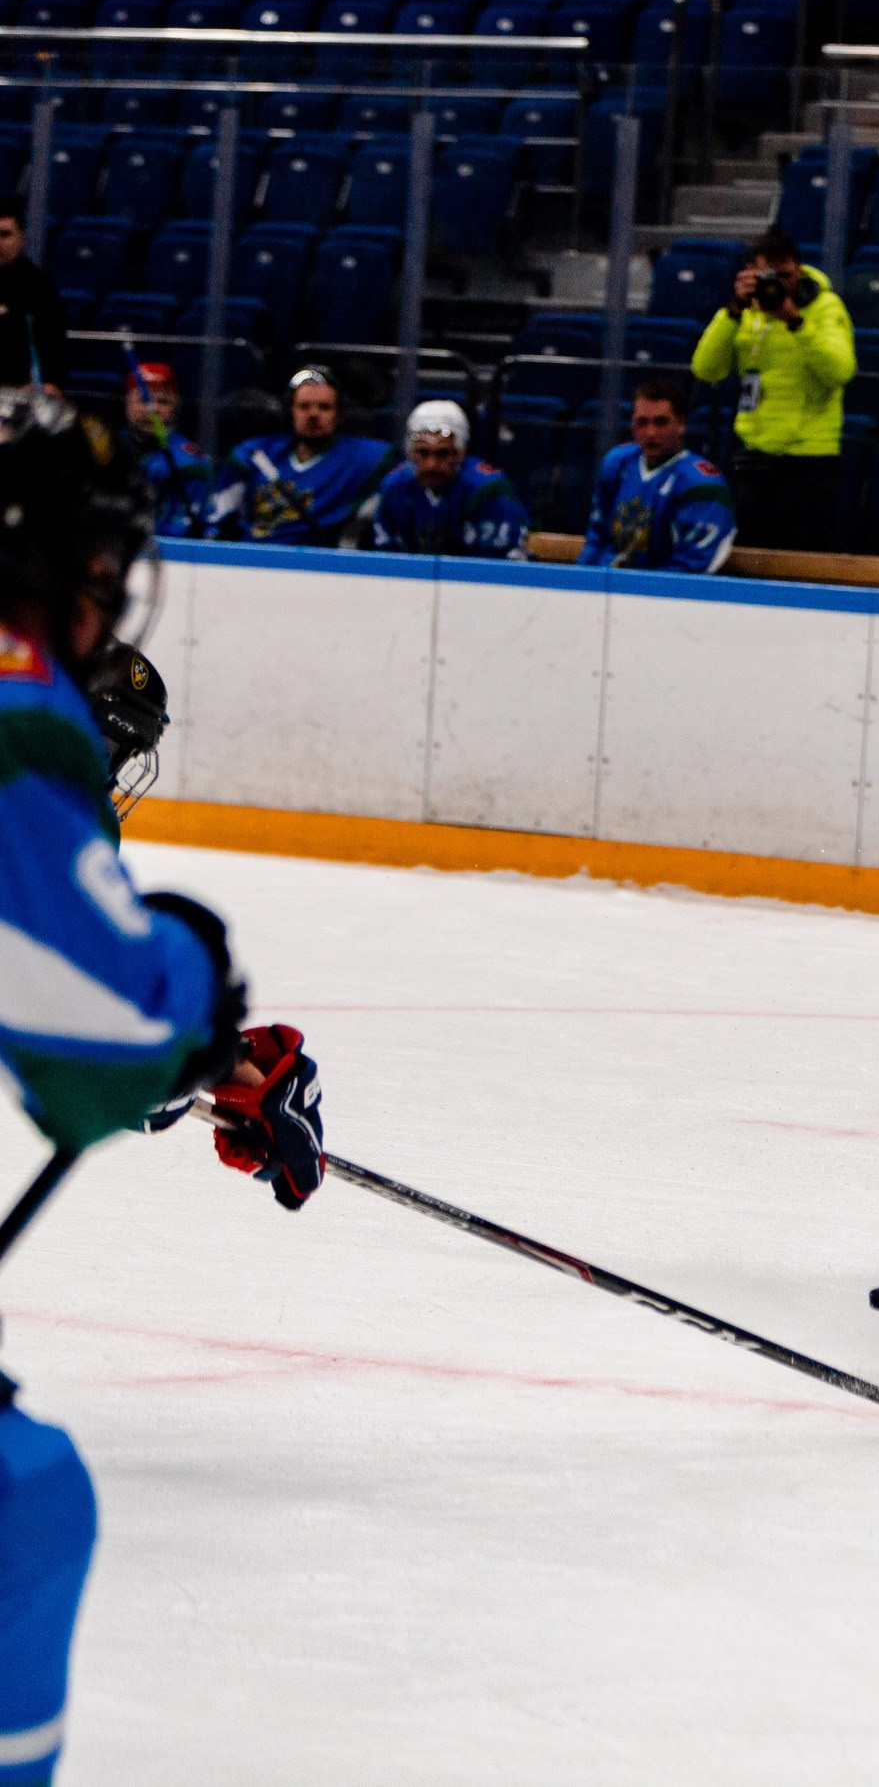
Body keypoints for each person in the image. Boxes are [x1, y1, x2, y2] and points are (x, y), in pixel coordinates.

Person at [0, 388, 326, 1787]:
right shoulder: (18, 702)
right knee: (19, 1510)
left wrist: (199, 1065)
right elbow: (98, 1048)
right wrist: (200, 1005)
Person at [689, 226, 854, 553]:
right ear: (750, 272)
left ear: (799, 271)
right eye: (768, 276)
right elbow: (706, 369)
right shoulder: (746, 312)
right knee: (749, 558)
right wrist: (733, 311)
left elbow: (840, 371)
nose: (777, 285)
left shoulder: (825, 307)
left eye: (784, 276)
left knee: (799, 561)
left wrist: (795, 322)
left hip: (808, 459)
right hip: (755, 455)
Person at [208, 365, 395, 548]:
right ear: (291, 411)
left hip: (319, 563)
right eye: (304, 406)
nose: (313, 414)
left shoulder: (368, 459)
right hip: (251, 559)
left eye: (324, 407)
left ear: (339, 415)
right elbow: (216, 521)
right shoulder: (254, 455)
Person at [576, 382, 737, 575]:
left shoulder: (703, 485)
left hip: (664, 590)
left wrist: (639, 587)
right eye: (642, 422)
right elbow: (597, 538)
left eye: (661, 422)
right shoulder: (616, 463)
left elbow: (693, 565)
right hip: (609, 582)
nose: (650, 433)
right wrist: (580, 579)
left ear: (681, 424)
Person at [369, 400, 530, 560]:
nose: (432, 465)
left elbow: (496, 565)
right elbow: (388, 559)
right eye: (423, 453)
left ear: (460, 453)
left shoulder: (488, 489)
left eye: (442, 453)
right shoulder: (395, 486)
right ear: (411, 452)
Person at [122, 360, 214, 539]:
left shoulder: (191, 464)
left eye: (163, 401)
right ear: (127, 404)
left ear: (175, 407)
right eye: (143, 399)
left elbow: (179, 532)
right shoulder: (105, 449)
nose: (153, 409)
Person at [0, 203, 67, 392]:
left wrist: (49, 384)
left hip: (18, 392)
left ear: (22, 238)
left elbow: (53, 344)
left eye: (5, 234)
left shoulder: (38, 287)